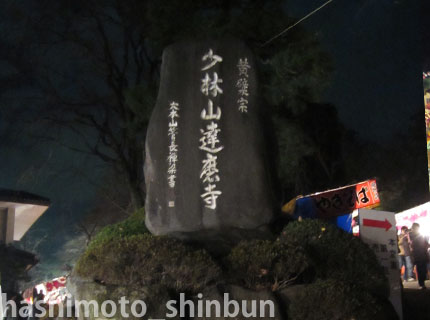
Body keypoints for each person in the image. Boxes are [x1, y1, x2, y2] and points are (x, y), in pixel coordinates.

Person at [410, 223, 429, 289]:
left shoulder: (420, 235)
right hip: (418, 254)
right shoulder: (411, 234)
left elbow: (426, 243)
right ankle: (421, 284)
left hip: (423, 254)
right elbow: (413, 245)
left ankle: (422, 283)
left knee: (423, 269)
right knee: (420, 269)